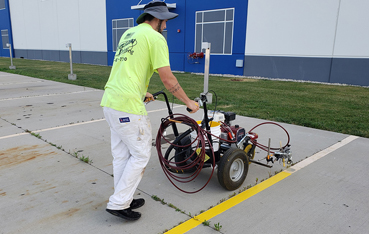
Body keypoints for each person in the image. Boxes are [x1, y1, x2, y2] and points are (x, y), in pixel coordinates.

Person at [100, 0, 199, 221]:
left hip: (110, 101)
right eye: (165, 21)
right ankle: (118, 203)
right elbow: (167, 78)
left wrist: (141, 91)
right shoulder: (155, 38)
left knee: (121, 155)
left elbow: (128, 69)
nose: (166, 26)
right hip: (127, 107)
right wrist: (188, 102)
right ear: (157, 19)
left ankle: (122, 196)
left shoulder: (129, 34)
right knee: (141, 155)